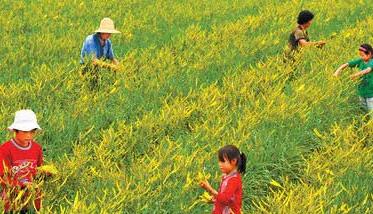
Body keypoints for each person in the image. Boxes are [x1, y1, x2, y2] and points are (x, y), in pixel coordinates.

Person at [0, 109, 44, 213]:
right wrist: (23, 185)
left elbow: (39, 172)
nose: (29, 136)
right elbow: (3, 177)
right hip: (11, 200)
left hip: (32, 200)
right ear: (15, 131)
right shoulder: (5, 149)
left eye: (32, 132)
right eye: (24, 132)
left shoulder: (37, 148)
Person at [200, 145, 246, 214]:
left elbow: (225, 199)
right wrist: (215, 200)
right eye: (219, 161)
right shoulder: (227, 177)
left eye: (223, 161)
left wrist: (210, 189)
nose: (219, 164)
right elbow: (227, 198)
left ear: (233, 161)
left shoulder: (234, 180)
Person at [80, 17, 121, 89]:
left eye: (110, 33)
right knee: (89, 88)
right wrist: (110, 67)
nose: (109, 35)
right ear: (101, 32)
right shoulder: (91, 40)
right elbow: (94, 61)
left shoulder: (108, 42)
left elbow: (112, 58)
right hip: (86, 70)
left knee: (97, 88)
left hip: (97, 70)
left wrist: (119, 66)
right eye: (107, 32)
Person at [334, 44, 373, 114]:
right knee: (364, 112)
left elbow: (368, 70)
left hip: (371, 94)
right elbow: (348, 64)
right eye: (360, 55)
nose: (361, 57)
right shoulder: (361, 61)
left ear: (369, 54)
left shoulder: (371, 62)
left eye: (362, 55)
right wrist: (338, 71)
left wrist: (356, 75)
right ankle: (365, 124)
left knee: (371, 112)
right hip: (361, 92)